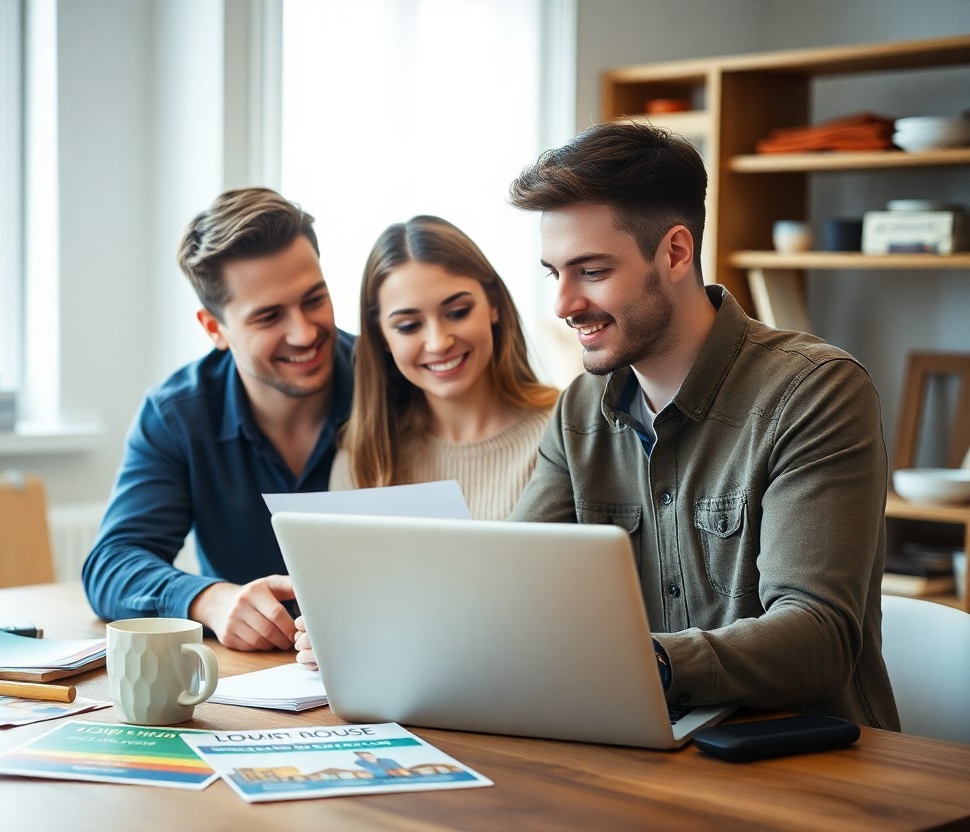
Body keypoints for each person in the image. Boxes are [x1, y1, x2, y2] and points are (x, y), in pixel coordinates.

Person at [506, 121, 899, 730]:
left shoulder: (816, 392)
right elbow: (516, 586)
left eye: (591, 271)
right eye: (554, 272)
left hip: (804, 768)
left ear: (675, 253)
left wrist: (646, 663)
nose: (563, 305)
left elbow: (819, 636)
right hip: (642, 750)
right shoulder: (581, 411)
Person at [82, 187, 355, 654]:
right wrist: (209, 599)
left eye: (314, 299)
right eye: (269, 317)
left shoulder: (396, 380)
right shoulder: (177, 415)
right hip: (248, 683)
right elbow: (111, 563)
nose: (304, 332)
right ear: (215, 330)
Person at [294, 215, 558, 666]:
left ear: (493, 305)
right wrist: (329, 636)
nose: (439, 341)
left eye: (457, 312)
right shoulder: (365, 456)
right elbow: (348, 609)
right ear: (381, 336)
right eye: (408, 325)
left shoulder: (566, 431)